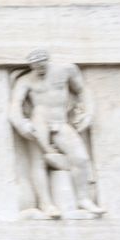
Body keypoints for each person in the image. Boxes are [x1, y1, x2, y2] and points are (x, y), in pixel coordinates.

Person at [9, 49, 106, 218]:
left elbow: (82, 90)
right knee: (38, 162)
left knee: (81, 158)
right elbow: (15, 106)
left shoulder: (66, 70)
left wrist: (88, 113)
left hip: (60, 122)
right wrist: (23, 125)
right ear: (30, 65)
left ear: (48, 60)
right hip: (38, 123)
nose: (40, 69)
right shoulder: (25, 81)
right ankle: (47, 204)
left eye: (42, 65)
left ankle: (83, 199)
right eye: (35, 66)